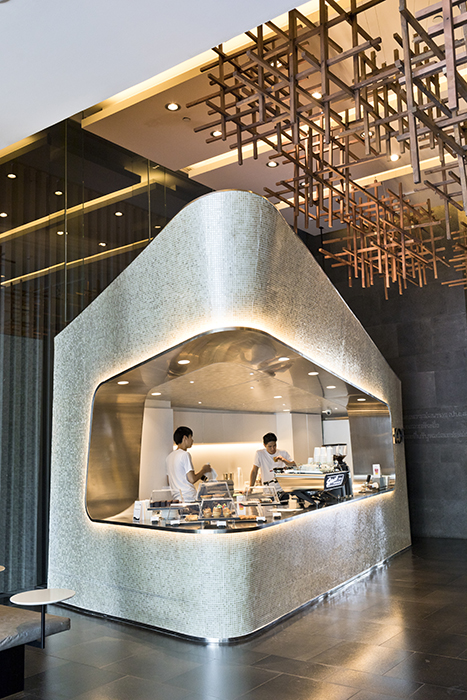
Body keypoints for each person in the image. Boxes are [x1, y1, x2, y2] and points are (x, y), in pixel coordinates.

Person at [166, 426, 211, 502]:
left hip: (176, 498)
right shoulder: (185, 454)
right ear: (185, 438)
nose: (192, 440)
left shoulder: (169, 457)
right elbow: (192, 479)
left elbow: (168, 481)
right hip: (189, 497)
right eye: (191, 437)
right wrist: (204, 470)